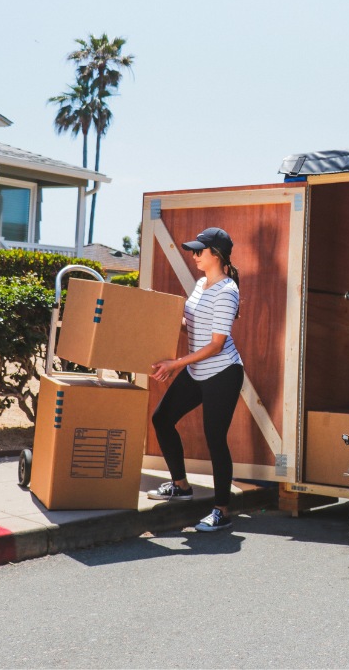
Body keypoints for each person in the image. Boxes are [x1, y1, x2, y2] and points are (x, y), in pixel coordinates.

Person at [146, 227, 244, 533]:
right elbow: (193, 326)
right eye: (193, 251)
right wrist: (161, 317)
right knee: (162, 418)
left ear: (216, 255)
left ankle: (222, 510)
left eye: (199, 251)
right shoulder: (202, 284)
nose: (194, 255)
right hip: (196, 370)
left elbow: (216, 343)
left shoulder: (227, 291)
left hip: (222, 373)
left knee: (214, 438)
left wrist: (176, 363)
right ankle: (181, 486)